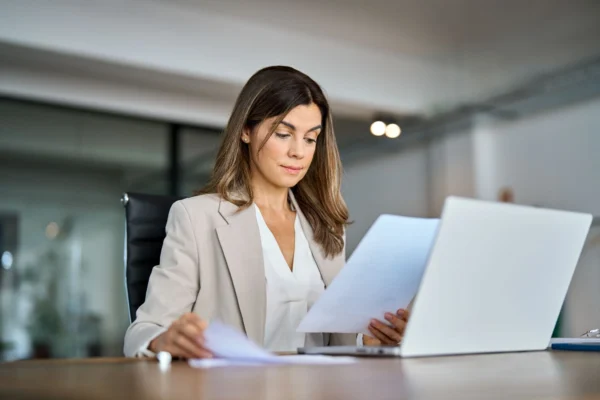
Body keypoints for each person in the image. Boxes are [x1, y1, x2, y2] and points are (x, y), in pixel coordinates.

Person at [124, 66, 410, 358]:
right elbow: (144, 330)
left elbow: (335, 341)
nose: (298, 151)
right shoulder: (195, 217)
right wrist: (163, 340)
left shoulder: (327, 226)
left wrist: (370, 342)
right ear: (246, 131)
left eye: (310, 138)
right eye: (284, 134)